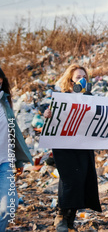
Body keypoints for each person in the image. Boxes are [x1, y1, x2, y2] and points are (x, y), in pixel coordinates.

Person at [44, 64, 102, 232]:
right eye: (78, 77)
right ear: (70, 82)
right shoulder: (62, 99)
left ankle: (70, 220)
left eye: (84, 77)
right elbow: (51, 119)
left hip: (83, 146)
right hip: (64, 147)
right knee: (70, 180)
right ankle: (61, 216)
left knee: (82, 179)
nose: (82, 80)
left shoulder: (90, 98)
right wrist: (47, 115)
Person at [0, 67, 33, 231]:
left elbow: (12, 133)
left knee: (8, 207)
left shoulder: (5, 103)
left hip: (4, 163)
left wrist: (18, 159)